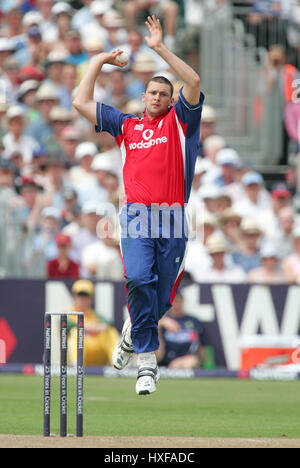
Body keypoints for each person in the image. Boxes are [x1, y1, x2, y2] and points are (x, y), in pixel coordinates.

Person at [73, 15, 203, 395]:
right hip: (136, 218)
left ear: (170, 99)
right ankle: (147, 363)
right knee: (138, 279)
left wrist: (158, 48)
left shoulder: (181, 124)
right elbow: (80, 101)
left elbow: (193, 82)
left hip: (174, 219)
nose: (158, 98)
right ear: (143, 97)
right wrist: (98, 61)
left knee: (160, 299)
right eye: (153, 93)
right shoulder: (128, 126)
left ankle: (132, 332)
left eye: (164, 94)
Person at [67, 279, 119, 367]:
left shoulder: (94, 315)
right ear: (74, 296)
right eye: (80, 295)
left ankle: (118, 363)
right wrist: (86, 327)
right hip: (79, 354)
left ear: (91, 298)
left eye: (85, 296)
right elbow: (65, 325)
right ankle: (75, 365)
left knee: (111, 332)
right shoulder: (68, 314)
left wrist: (101, 327)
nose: (82, 299)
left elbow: (109, 323)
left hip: (98, 355)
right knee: (76, 332)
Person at [157, 291, 205, 369]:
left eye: (177, 301)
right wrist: (161, 323)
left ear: (182, 300)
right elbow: (157, 350)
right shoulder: (162, 321)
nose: (174, 305)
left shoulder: (194, 321)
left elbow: (201, 346)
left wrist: (201, 362)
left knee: (191, 361)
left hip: (187, 359)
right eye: (171, 301)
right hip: (164, 360)